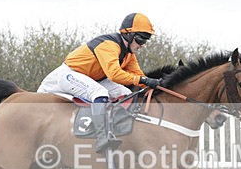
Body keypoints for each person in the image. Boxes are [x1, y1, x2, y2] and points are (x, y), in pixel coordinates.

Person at [37, 13, 162, 153]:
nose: (142, 45)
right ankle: (102, 138)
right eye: (140, 40)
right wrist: (143, 80)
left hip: (92, 78)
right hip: (68, 75)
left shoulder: (128, 55)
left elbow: (139, 77)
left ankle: (119, 130)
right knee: (100, 93)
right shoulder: (109, 45)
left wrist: (159, 84)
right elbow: (114, 74)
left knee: (127, 94)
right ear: (128, 34)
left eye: (145, 41)